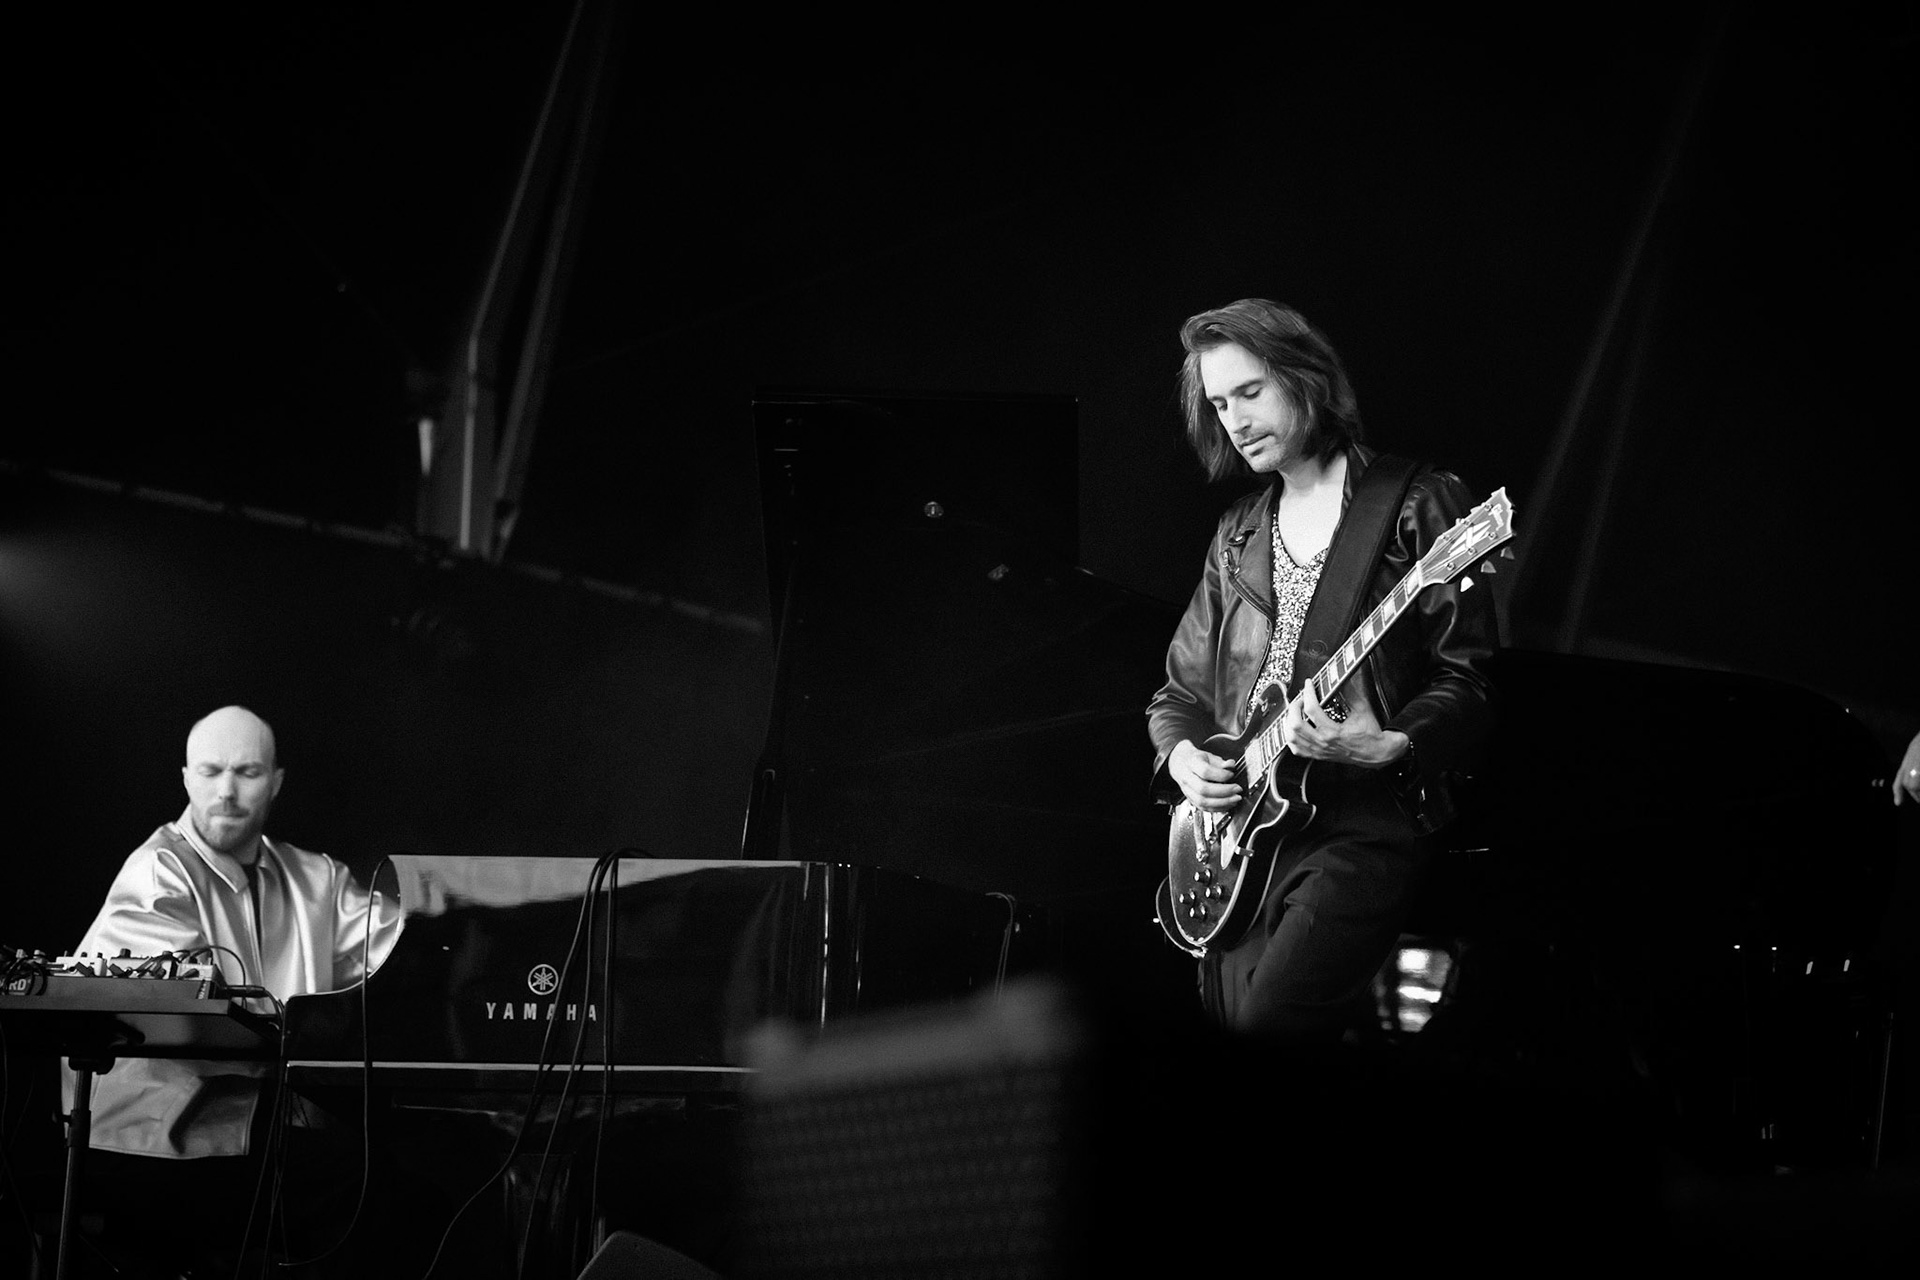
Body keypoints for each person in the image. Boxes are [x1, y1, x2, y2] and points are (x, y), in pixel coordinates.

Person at [1146, 299, 1500, 1044]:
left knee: (1271, 1028)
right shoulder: (1238, 532)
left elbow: (1471, 680)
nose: (1235, 420)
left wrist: (1395, 744)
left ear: (1307, 379)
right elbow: (1179, 692)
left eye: (1251, 392)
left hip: (1361, 824)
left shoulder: (1415, 504)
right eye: (1218, 403)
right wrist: (1180, 757)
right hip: (1244, 837)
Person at [64, 705, 406, 1274]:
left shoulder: (316, 876)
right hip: (157, 1135)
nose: (226, 791)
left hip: (257, 1122)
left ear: (275, 782)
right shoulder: (158, 870)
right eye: (210, 771)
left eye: (246, 772)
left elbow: (399, 941)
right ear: (186, 778)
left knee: (397, 1179)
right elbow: (186, 1018)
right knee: (375, 1195)